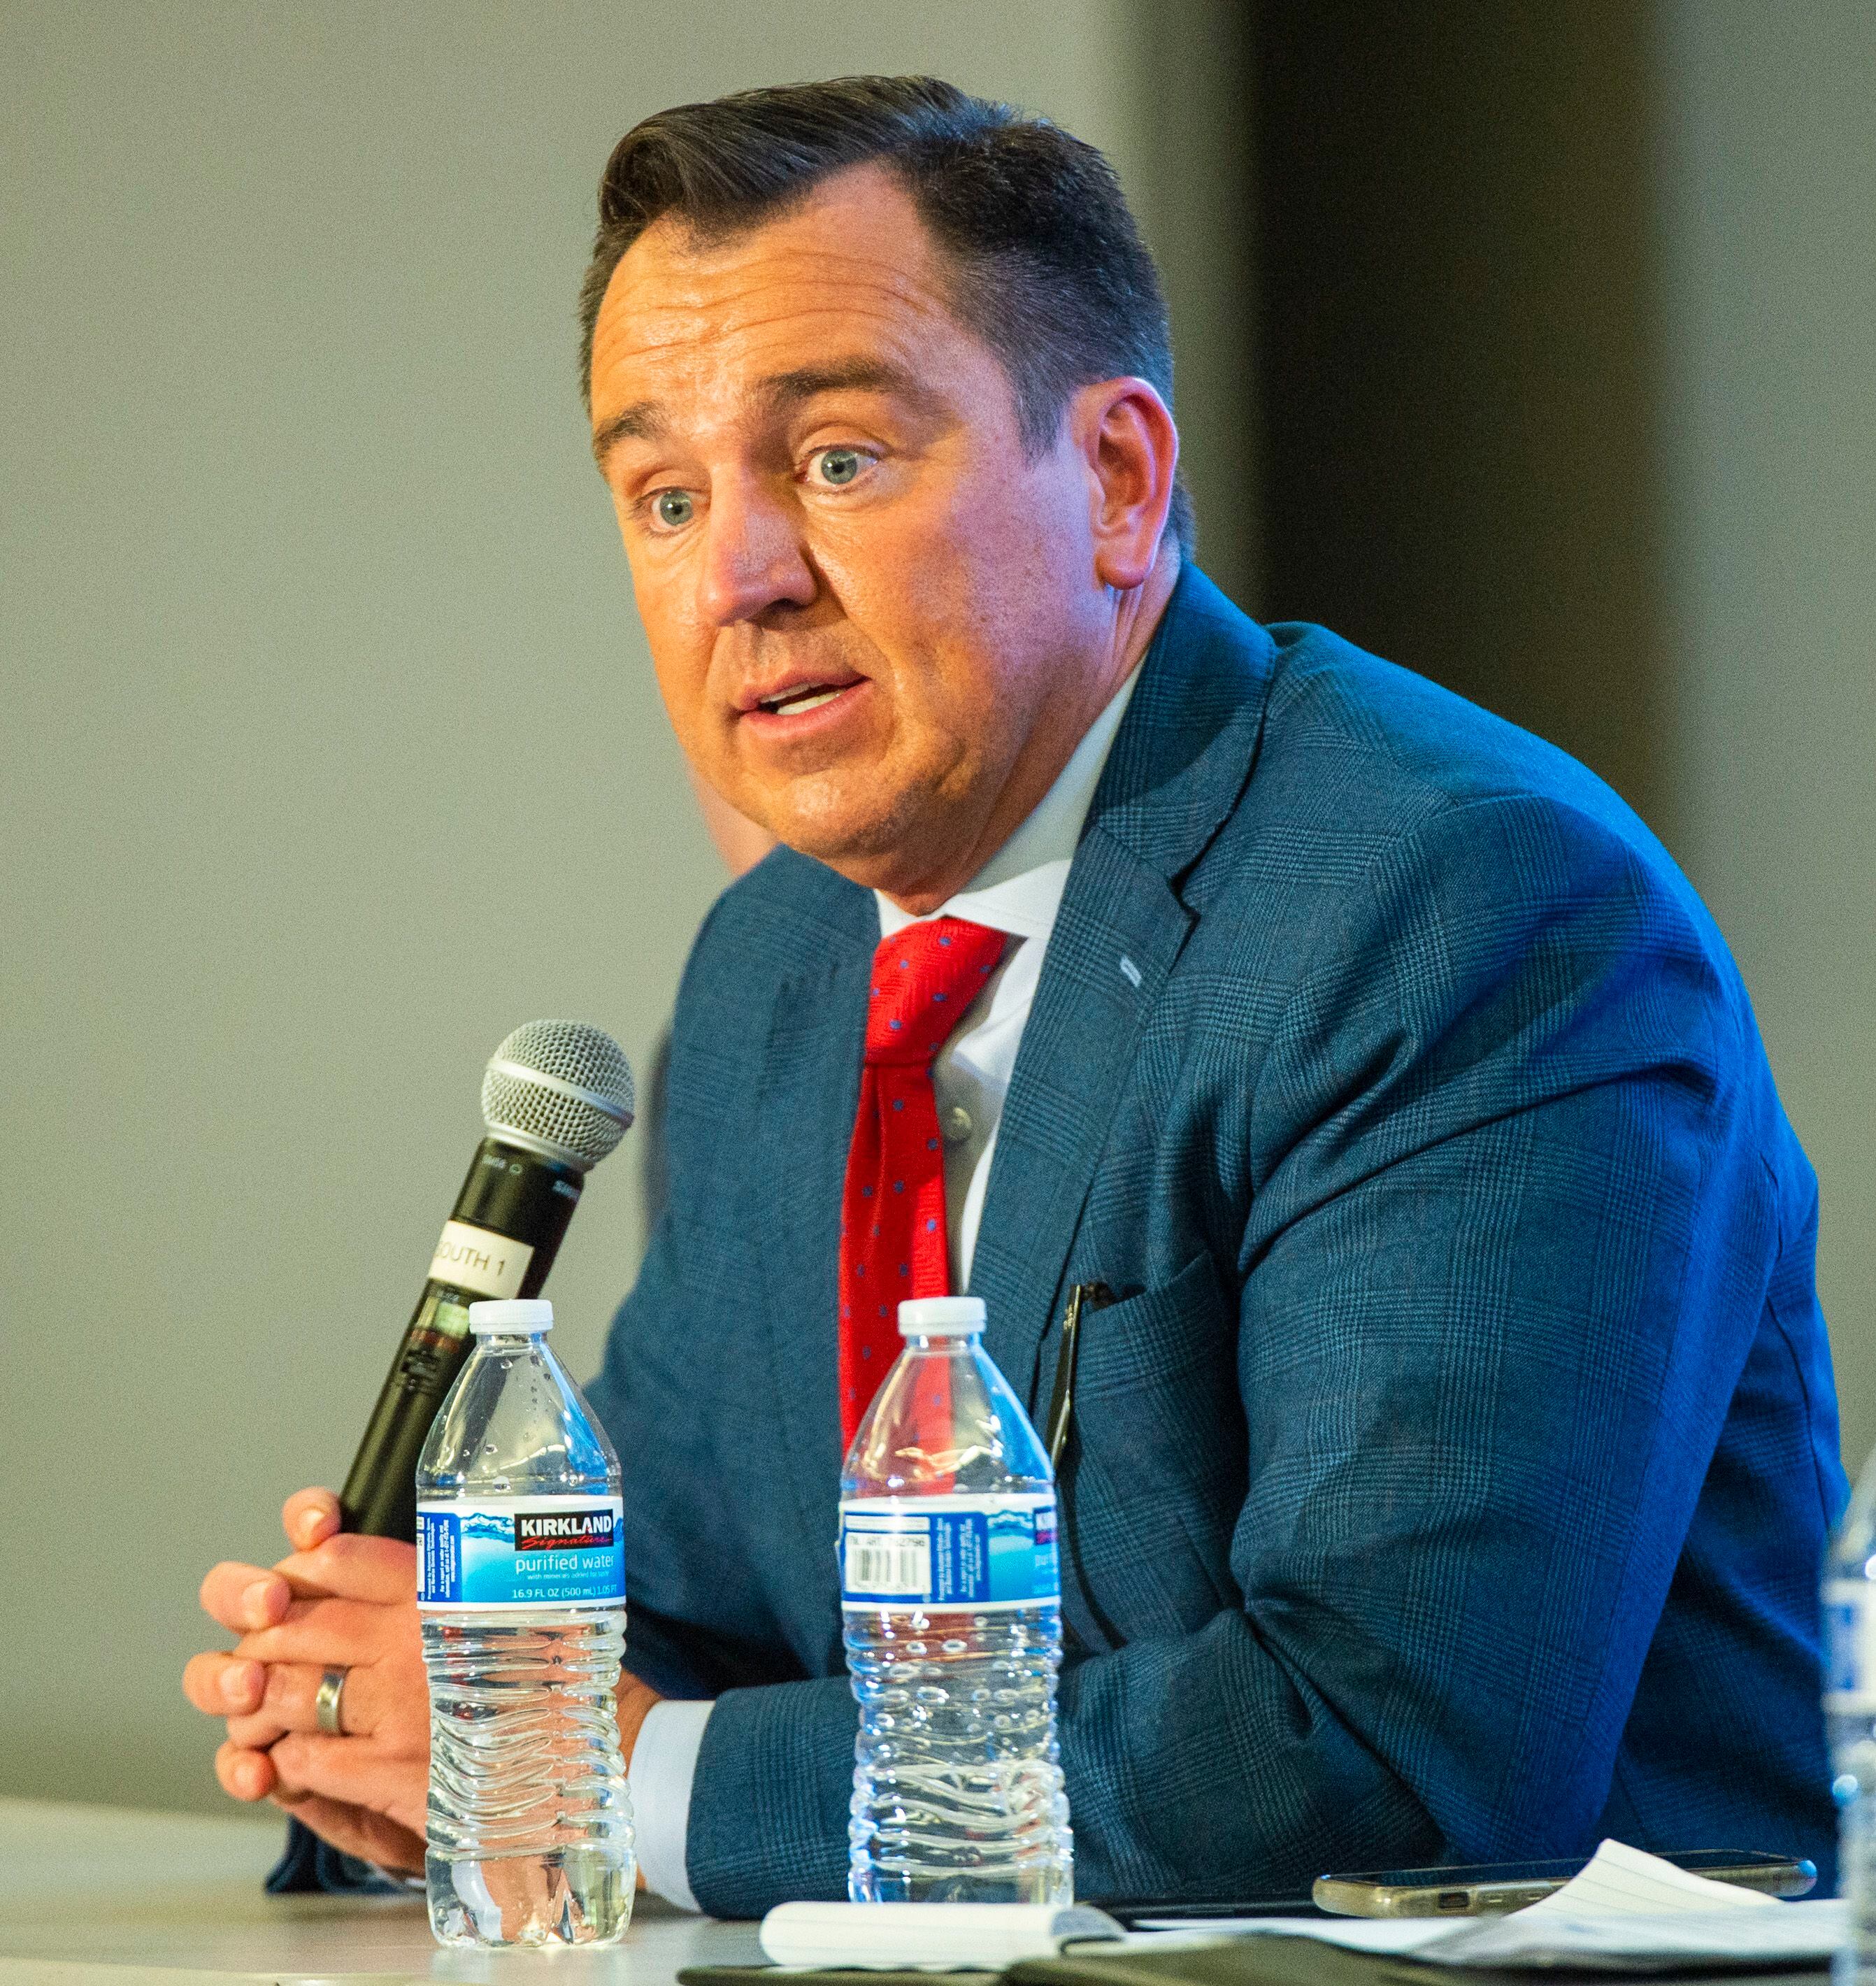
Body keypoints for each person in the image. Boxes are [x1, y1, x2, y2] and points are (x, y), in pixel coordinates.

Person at [184, 76, 1846, 1915]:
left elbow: (1394, 1755)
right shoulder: (781, 967)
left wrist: (604, 1765)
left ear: (1119, 482)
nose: (736, 574)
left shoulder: (1463, 907)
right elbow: (697, 1612)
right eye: (661, 495)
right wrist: (412, 1703)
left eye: (835, 461)